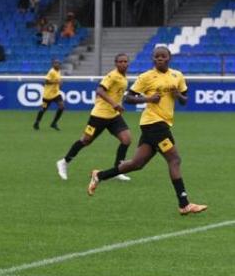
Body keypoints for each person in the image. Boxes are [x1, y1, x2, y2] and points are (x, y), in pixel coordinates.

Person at [87, 46, 207, 215]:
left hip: (162, 123)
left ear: (169, 58)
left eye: (163, 56)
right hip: (153, 123)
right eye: (156, 57)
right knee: (174, 159)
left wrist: (177, 95)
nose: (159, 59)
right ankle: (184, 204)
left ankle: (99, 176)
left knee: (137, 164)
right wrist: (148, 98)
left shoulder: (177, 76)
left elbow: (185, 100)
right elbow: (128, 97)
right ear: (153, 59)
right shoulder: (146, 77)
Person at [56, 54, 132, 181]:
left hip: (114, 116)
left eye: (125, 61)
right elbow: (100, 91)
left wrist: (118, 106)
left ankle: (118, 170)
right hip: (99, 116)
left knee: (127, 139)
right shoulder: (112, 76)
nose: (123, 63)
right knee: (86, 140)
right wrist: (114, 104)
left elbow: (116, 94)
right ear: (116, 63)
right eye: (120, 61)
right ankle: (64, 162)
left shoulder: (124, 77)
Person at [33, 59, 64, 130]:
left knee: (62, 106)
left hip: (56, 94)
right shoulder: (51, 72)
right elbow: (46, 82)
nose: (57, 64)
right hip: (47, 96)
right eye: (56, 63)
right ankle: (37, 122)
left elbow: (58, 80)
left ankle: (54, 123)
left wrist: (59, 84)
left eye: (58, 63)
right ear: (53, 64)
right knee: (43, 109)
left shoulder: (58, 71)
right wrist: (56, 82)